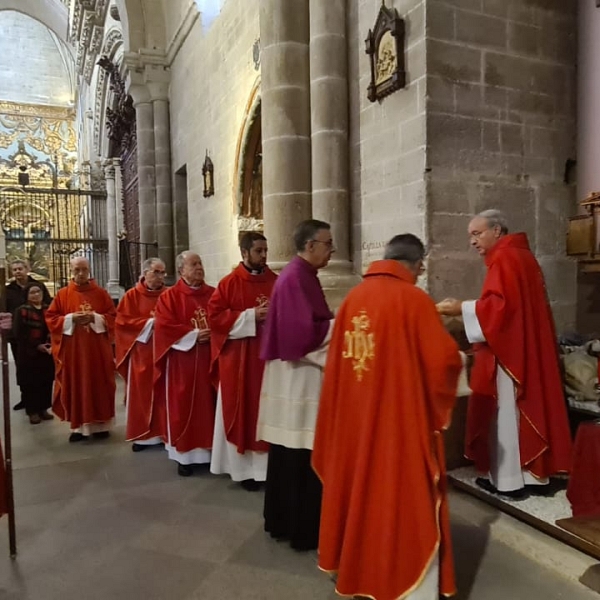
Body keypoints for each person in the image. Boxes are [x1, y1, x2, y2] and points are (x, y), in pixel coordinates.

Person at [312, 234, 462, 600]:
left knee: (361, 492)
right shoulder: (414, 300)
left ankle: (359, 570)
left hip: (355, 421)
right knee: (399, 494)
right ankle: (407, 584)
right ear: (418, 264)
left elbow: (337, 367)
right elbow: (442, 362)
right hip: (399, 423)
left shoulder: (353, 298)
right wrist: (460, 361)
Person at [437, 209, 572, 498]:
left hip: (510, 353)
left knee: (506, 413)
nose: (472, 241)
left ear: (497, 231)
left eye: (477, 233)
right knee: (520, 412)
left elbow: (499, 310)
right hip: (523, 347)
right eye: (470, 235)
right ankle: (533, 477)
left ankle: (509, 481)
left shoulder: (505, 258)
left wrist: (460, 307)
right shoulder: (521, 256)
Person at [256, 219, 334, 551]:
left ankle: (284, 521)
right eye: (328, 243)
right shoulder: (296, 277)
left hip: (295, 377)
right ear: (309, 245)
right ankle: (301, 529)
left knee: (291, 455)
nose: (332, 250)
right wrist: (342, 323)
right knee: (299, 454)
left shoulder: (300, 275)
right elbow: (302, 335)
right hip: (298, 379)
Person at [208, 232, 277, 491]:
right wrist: (250, 316)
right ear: (244, 253)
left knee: (266, 412)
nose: (264, 256)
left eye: (265, 250)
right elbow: (215, 318)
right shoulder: (228, 284)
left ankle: (269, 469)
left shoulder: (276, 281)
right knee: (243, 410)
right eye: (259, 251)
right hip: (239, 362)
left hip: (269, 359)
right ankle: (245, 471)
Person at [153, 251, 216, 477]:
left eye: (200, 263)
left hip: (210, 360)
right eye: (193, 264)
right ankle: (185, 457)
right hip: (183, 362)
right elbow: (164, 328)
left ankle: (212, 454)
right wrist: (193, 336)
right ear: (181, 271)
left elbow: (223, 319)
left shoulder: (214, 294)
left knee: (210, 406)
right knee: (183, 406)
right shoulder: (169, 298)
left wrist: (215, 333)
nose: (199, 268)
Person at [45, 257, 116, 442]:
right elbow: (51, 318)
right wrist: (70, 319)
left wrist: (96, 318)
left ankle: (101, 425)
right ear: (71, 270)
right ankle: (78, 428)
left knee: (99, 384)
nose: (81, 273)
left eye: (84, 269)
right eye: (77, 269)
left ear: (89, 270)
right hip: (74, 353)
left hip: (97, 352)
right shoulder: (63, 294)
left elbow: (113, 317)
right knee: (77, 385)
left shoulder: (101, 293)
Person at [115, 258, 168, 452]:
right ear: (145, 273)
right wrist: (150, 323)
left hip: (165, 353)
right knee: (142, 396)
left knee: (164, 396)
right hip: (142, 354)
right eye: (156, 272)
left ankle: (165, 434)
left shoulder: (169, 294)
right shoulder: (131, 296)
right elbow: (122, 323)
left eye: (163, 272)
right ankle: (143, 436)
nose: (161, 277)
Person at [6, 260, 52, 411]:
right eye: (14, 270)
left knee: (44, 374)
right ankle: (27, 401)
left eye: (20, 268)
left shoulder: (38, 285)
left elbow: (50, 307)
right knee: (25, 372)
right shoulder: (8, 290)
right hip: (20, 338)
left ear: (27, 269)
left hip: (43, 342)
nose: (18, 272)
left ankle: (42, 406)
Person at [13, 282, 55, 425]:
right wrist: (37, 346)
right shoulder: (22, 310)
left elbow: (53, 328)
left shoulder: (48, 309)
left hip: (46, 352)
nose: (36, 295)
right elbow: (19, 333)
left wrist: (49, 344)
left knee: (46, 381)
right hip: (28, 353)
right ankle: (32, 411)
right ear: (27, 295)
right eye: (32, 292)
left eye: (38, 292)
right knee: (31, 383)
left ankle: (43, 408)